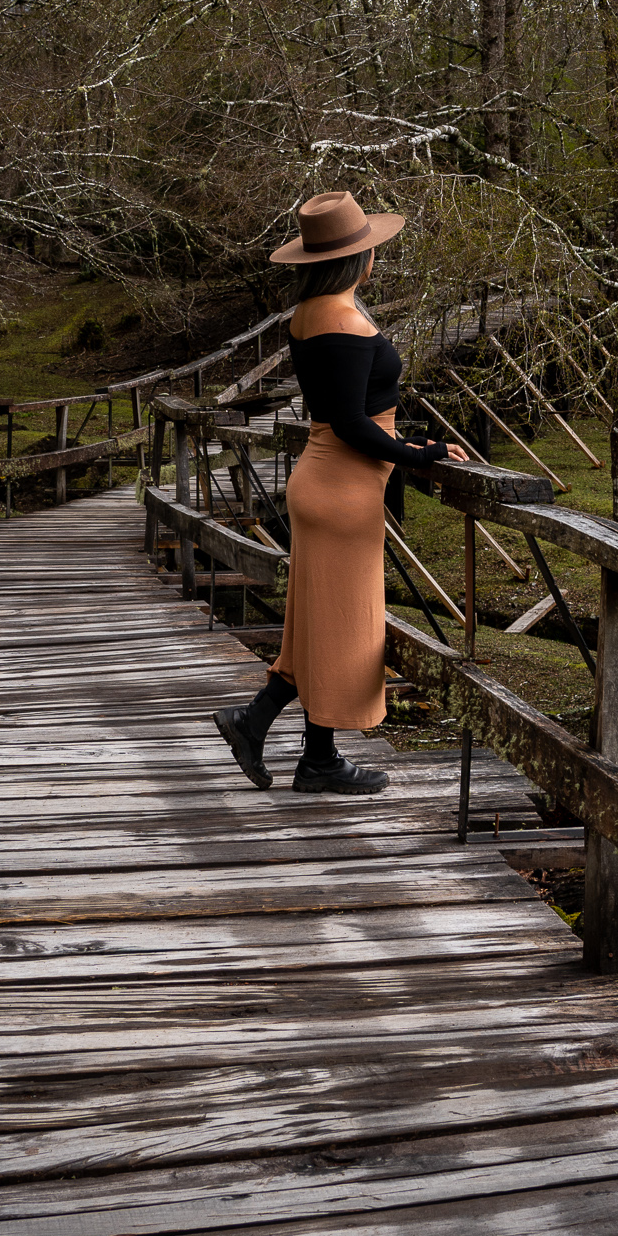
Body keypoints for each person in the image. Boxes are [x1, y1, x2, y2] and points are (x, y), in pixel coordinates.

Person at [213, 190, 468, 795]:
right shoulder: (345, 321)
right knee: (346, 628)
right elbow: (353, 424)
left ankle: (271, 732)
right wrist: (417, 454)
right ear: (362, 259)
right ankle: (307, 753)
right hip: (342, 490)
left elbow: (343, 409)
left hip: (323, 481)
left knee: (315, 626)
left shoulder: (308, 313)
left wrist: (407, 441)